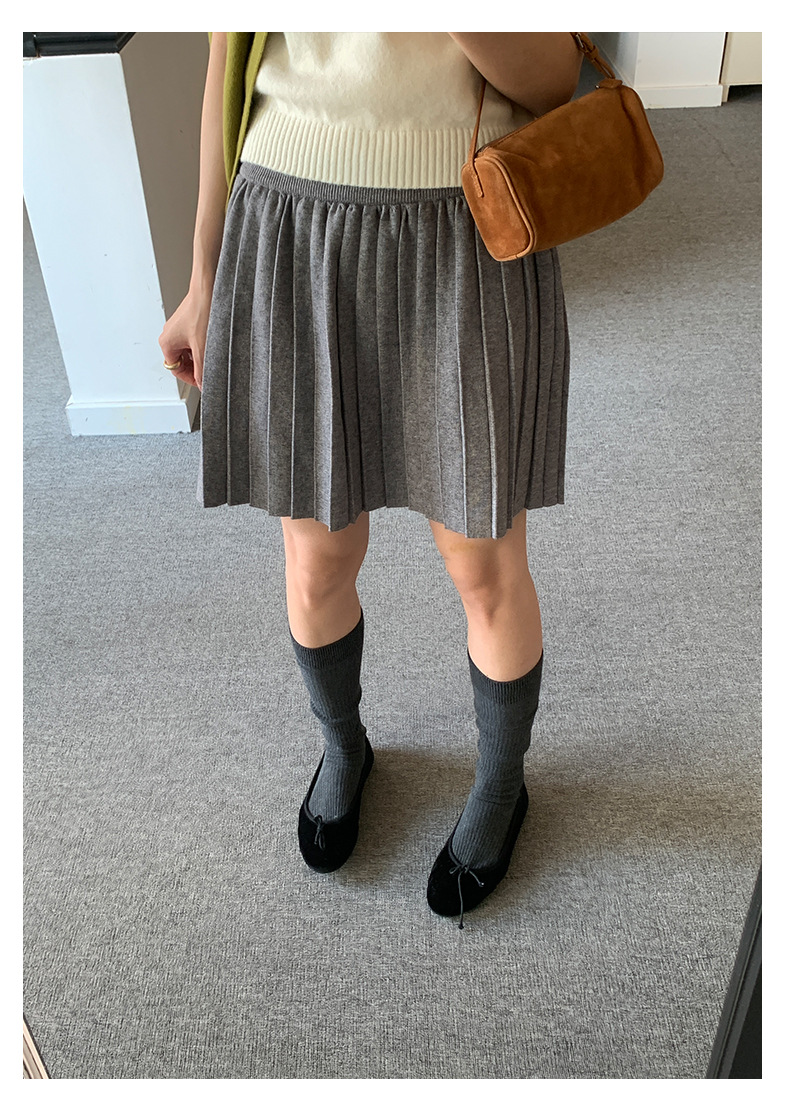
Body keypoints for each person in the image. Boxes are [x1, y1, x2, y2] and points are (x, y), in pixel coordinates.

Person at [159, 32, 583, 929]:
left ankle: (502, 784)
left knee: (483, 564)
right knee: (316, 558)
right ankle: (343, 746)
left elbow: (554, 80)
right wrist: (203, 276)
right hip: (289, 225)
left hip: (465, 225)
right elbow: (224, 66)